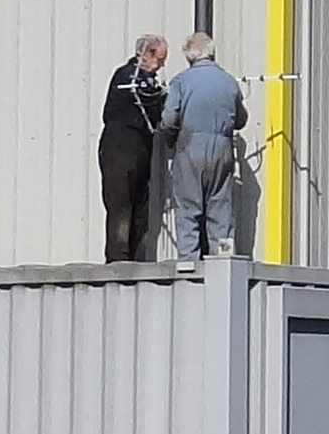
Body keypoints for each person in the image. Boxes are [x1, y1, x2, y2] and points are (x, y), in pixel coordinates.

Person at [161, 32, 248, 261]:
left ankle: (189, 265)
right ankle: (223, 262)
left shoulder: (181, 81)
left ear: (189, 58)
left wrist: (170, 141)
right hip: (222, 148)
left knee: (188, 209)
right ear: (212, 53)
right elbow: (241, 119)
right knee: (221, 210)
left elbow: (169, 119)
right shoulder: (228, 81)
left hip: (190, 146)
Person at [98, 34, 168, 262]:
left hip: (141, 148)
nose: (162, 65)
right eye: (160, 58)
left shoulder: (149, 83)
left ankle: (136, 257)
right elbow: (147, 103)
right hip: (120, 146)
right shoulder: (126, 77)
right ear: (146, 54)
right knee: (121, 204)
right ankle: (118, 259)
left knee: (140, 207)